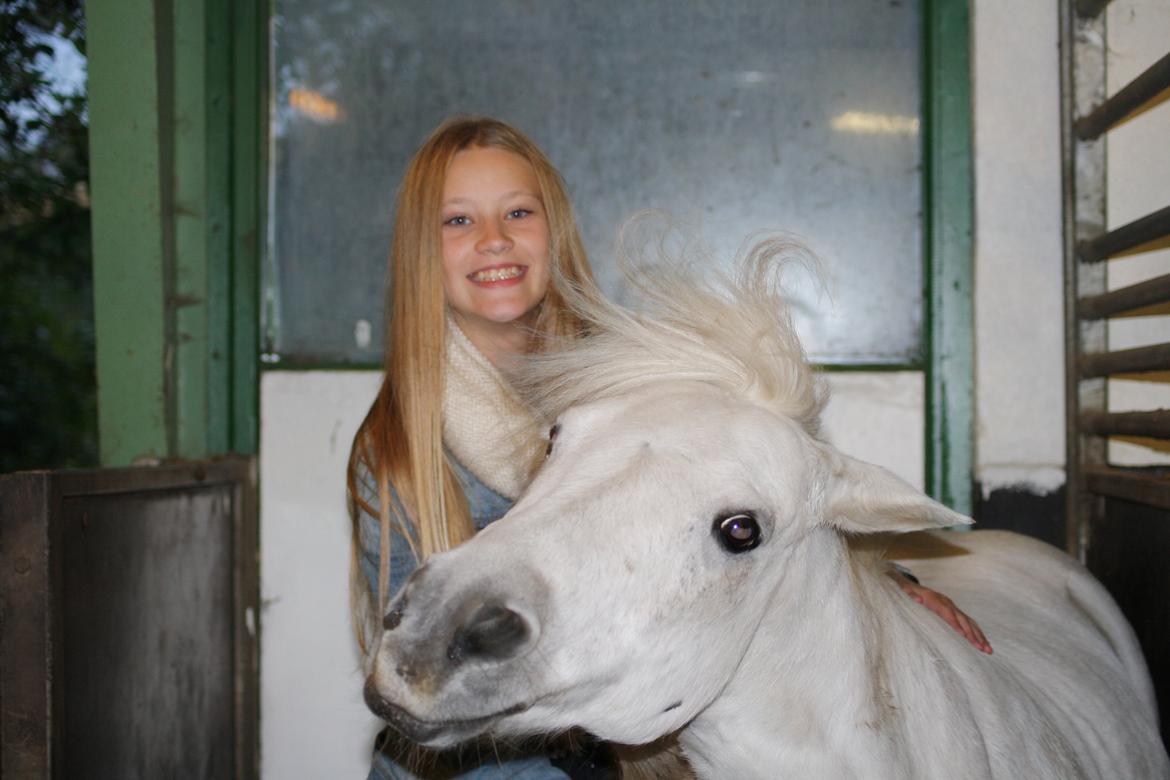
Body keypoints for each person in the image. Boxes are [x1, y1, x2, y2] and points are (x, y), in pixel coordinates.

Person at [347, 116, 990, 780]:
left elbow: (744, 493)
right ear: (423, 250)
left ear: (554, 230)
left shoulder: (636, 382)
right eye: (458, 221)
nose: (494, 240)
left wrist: (882, 584)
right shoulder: (397, 455)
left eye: (517, 211)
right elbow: (446, 676)